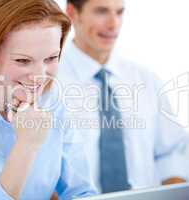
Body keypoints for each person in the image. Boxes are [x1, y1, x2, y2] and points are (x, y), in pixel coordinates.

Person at [0, 0, 97, 199]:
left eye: (51, 58)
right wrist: (26, 146)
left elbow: (82, 193)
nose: (39, 76)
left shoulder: (53, 106)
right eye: (23, 61)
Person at [58, 0, 189, 193]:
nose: (114, 24)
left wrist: (171, 191)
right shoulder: (49, 82)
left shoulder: (146, 80)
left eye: (119, 13)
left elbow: (171, 151)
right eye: (101, 12)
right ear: (72, 13)